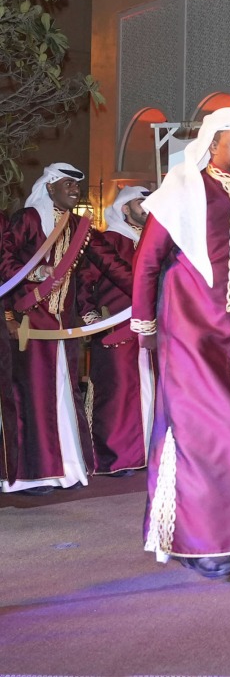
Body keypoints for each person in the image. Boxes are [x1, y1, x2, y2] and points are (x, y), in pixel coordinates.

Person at [133, 109, 230, 577]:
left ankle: (192, 533)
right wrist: (144, 324)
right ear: (212, 143)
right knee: (207, 434)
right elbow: (148, 261)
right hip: (188, 333)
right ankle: (207, 541)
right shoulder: (182, 189)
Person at [0, 163, 132, 496]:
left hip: (63, 326)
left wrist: (149, 292)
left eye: (77, 186)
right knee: (31, 395)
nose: (75, 190)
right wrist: (33, 272)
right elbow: (3, 258)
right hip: (29, 323)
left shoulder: (80, 227)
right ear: (50, 188)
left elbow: (111, 264)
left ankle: (65, 468)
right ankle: (32, 474)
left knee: (62, 392)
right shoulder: (29, 219)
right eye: (68, 185)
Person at [86, 185, 154, 477]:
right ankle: (116, 458)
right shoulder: (109, 240)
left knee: (152, 391)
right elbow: (85, 279)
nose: (147, 208)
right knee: (118, 394)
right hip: (116, 327)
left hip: (153, 330)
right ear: (125, 209)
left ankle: (151, 453)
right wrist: (89, 314)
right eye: (141, 202)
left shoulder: (156, 241)